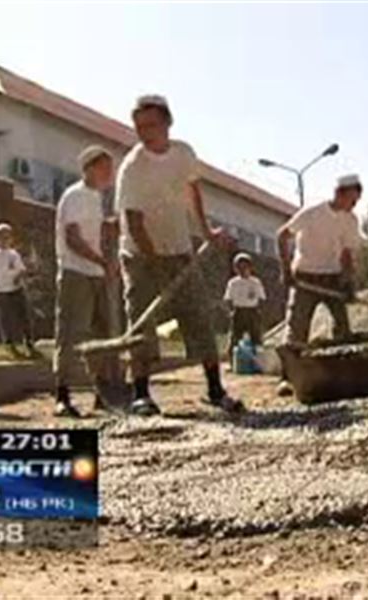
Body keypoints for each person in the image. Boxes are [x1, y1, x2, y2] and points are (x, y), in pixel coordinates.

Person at [116, 94, 243, 416]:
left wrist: (206, 231)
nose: (145, 132)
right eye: (139, 126)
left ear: (168, 123)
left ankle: (215, 390)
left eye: (152, 125)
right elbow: (134, 223)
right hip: (139, 254)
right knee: (142, 321)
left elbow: (192, 191)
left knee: (199, 316)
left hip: (179, 249)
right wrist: (154, 264)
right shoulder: (133, 167)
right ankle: (141, 394)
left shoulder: (183, 153)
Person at [53, 145, 126, 417]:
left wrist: (110, 226)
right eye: (106, 168)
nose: (110, 174)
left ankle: (103, 393)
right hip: (76, 273)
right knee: (71, 334)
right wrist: (101, 261)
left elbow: (93, 229)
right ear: (91, 168)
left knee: (102, 337)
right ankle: (63, 396)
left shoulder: (96, 198)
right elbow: (73, 238)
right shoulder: (74, 195)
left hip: (97, 275)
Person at [277, 174, 364, 347]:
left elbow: (346, 253)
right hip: (305, 278)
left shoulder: (351, 221)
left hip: (332, 278)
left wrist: (348, 281)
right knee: (296, 331)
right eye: (351, 201)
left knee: (342, 329)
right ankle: (293, 365)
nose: (353, 206)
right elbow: (282, 236)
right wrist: (286, 271)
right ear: (339, 194)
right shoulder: (312, 213)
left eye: (356, 202)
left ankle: (340, 363)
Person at [0, 223, 36, 356]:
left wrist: (18, 277)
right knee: (6, 319)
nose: (4, 240)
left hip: (16, 289)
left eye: (7, 237)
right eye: (1, 237)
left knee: (23, 316)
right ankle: (9, 344)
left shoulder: (13, 254)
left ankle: (28, 342)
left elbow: (22, 269)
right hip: (2, 291)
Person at [224, 252, 266, 359]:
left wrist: (259, 311)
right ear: (235, 269)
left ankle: (259, 360)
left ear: (250, 268)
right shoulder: (233, 283)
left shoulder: (255, 282)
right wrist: (230, 311)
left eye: (245, 267)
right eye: (239, 267)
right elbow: (228, 298)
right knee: (235, 337)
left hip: (252, 311)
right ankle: (232, 359)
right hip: (239, 310)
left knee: (256, 337)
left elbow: (261, 298)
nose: (243, 270)